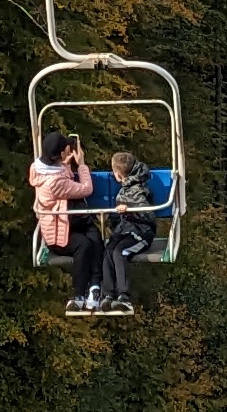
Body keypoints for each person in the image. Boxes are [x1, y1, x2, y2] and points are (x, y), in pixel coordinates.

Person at [28, 131, 104, 311]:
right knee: (84, 245)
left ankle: (95, 286)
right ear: (61, 154)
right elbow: (86, 189)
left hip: (67, 222)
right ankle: (78, 293)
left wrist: (66, 164)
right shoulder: (55, 182)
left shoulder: (39, 168)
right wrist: (82, 165)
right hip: (57, 233)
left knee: (95, 236)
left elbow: (63, 176)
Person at [102, 149, 167, 308]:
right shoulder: (125, 188)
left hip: (141, 233)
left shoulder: (138, 189)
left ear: (118, 174)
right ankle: (109, 294)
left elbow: (146, 215)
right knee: (109, 250)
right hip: (125, 230)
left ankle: (123, 296)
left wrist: (129, 210)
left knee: (120, 252)